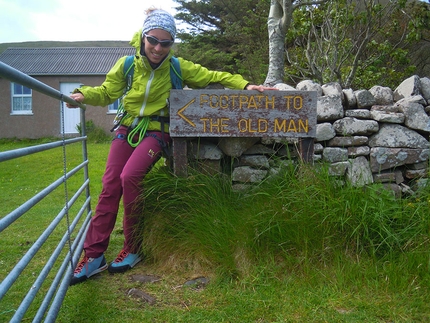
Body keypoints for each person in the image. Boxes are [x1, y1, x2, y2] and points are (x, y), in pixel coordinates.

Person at [67, 8, 277, 286]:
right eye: (153, 40)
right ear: (143, 38)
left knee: (130, 178)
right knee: (109, 185)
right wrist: (83, 94)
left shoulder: (178, 67)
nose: (157, 48)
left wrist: (247, 84)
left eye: (165, 43)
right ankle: (94, 255)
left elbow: (213, 76)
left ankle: (133, 247)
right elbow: (107, 92)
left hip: (158, 131)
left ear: (171, 44)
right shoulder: (127, 65)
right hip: (127, 128)